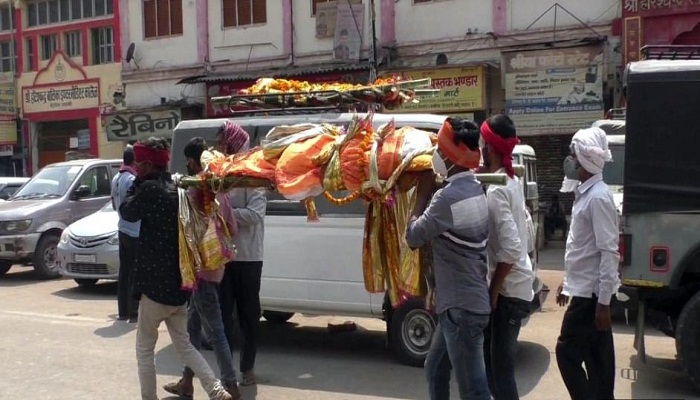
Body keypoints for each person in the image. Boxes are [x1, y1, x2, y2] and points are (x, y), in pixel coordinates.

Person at [120, 137, 233, 400]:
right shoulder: (180, 188)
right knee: (185, 347)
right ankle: (216, 390)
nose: (135, 168)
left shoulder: (149, 191)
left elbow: (126, 211)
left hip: (154, 289)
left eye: (138, 164)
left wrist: (136, 184)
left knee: (145, 350)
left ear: (148, 164)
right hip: (181, 285)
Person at [405, 117, 491, 400]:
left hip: (461, 309)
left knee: (473, 390)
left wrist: (422, 193)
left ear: (452, 159)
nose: (437, 157)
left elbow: (413, 237)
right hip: (461, 303)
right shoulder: (475, 189)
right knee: (435, 368)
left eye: (440, 152)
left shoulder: (446, 199)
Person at [164, 137, 242, 400]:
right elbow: (233, 228)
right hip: (212, 269)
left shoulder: (197, 191)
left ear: (194, 160)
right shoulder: (221, 190)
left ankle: (230, 384)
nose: (186, 163)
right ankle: (187, 382)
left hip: (202, 271)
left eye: (188, 159)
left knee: (216, 331)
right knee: (193, 329)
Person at [555, 127, 620, 400]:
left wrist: (603, 303)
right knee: (598, 360)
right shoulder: (585, 194)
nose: (569, 159)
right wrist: (567, 283)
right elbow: (583, 251)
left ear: (584, 160)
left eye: (573, 154)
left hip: (592, 297)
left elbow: (609, 252)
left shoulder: (598, 198)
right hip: (586, 291)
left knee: (566, 352)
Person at [480, 115, 534, 400]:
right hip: (516, 287)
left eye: (482, 142)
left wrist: (494, 289)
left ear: (488, 146)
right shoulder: (508, 180)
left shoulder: (498, 189)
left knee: (500, 372)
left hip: (510, 293)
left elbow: (512, 248)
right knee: (493, 367)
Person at [217, 122, 267, 387]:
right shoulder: (221, 174)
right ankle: (226, 371)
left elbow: (255, 215)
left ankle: (247, 368)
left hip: (248, 257)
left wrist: (225, 215)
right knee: (224, 316)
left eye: (223, 143)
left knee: (249, 315)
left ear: (234, 143)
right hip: (225, 257)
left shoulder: (252, 176)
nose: (219, 148)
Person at [111, 144, 140, 322]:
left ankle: (122, 311)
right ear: (134, 161)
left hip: (122, 228)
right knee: (134, 273)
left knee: (124, 272)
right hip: (135, 230)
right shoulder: (132, 179)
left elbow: (114, 204)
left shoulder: (116, 178)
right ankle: (133, 312)